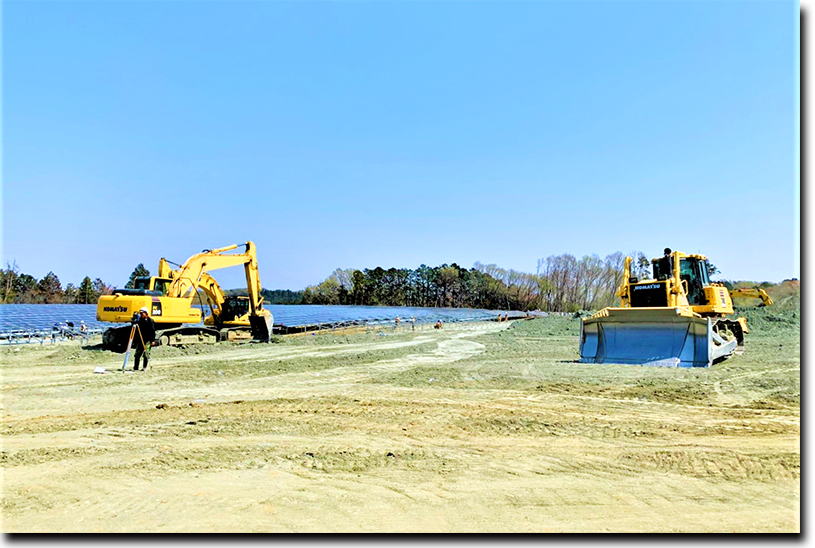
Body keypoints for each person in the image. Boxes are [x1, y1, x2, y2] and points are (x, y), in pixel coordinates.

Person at [133, 307, 156, 371]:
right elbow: (136, 330)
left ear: (146, 313)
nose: (141, 314)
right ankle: (135, 367)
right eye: (140, 313)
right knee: (137, 354)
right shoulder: (139, 320)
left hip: (147, 340)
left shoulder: (150, 321)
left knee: (146, 354)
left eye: (142, 313)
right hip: (140, 340)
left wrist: (153, 340)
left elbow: (152, 331)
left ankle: (144, 367)